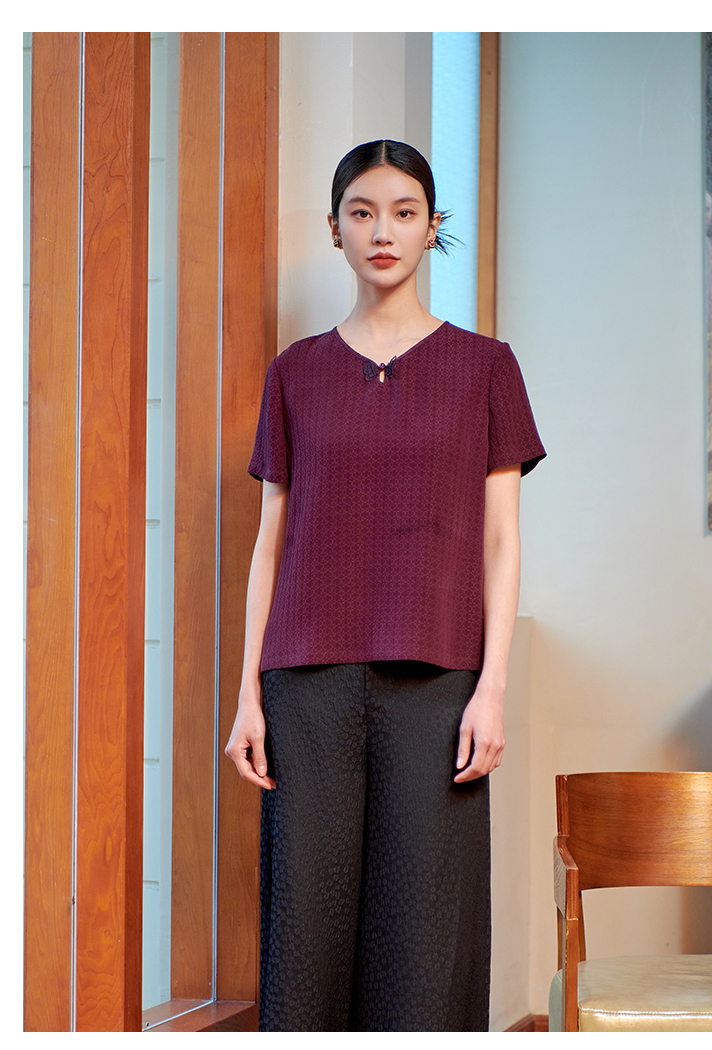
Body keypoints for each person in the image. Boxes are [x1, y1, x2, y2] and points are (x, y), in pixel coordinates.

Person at [225, 139, 546, 1032]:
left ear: (431, 228)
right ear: (334, 229)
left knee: (424, 939)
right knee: (307, 936)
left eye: (404, 213)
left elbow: (501, 540)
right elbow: (270, 541)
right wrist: (248, 695)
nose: (382, 231)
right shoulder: (295, 372)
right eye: (361, 212)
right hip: (305, 685)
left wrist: (492, 687)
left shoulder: (486, 367)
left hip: (438, 683)